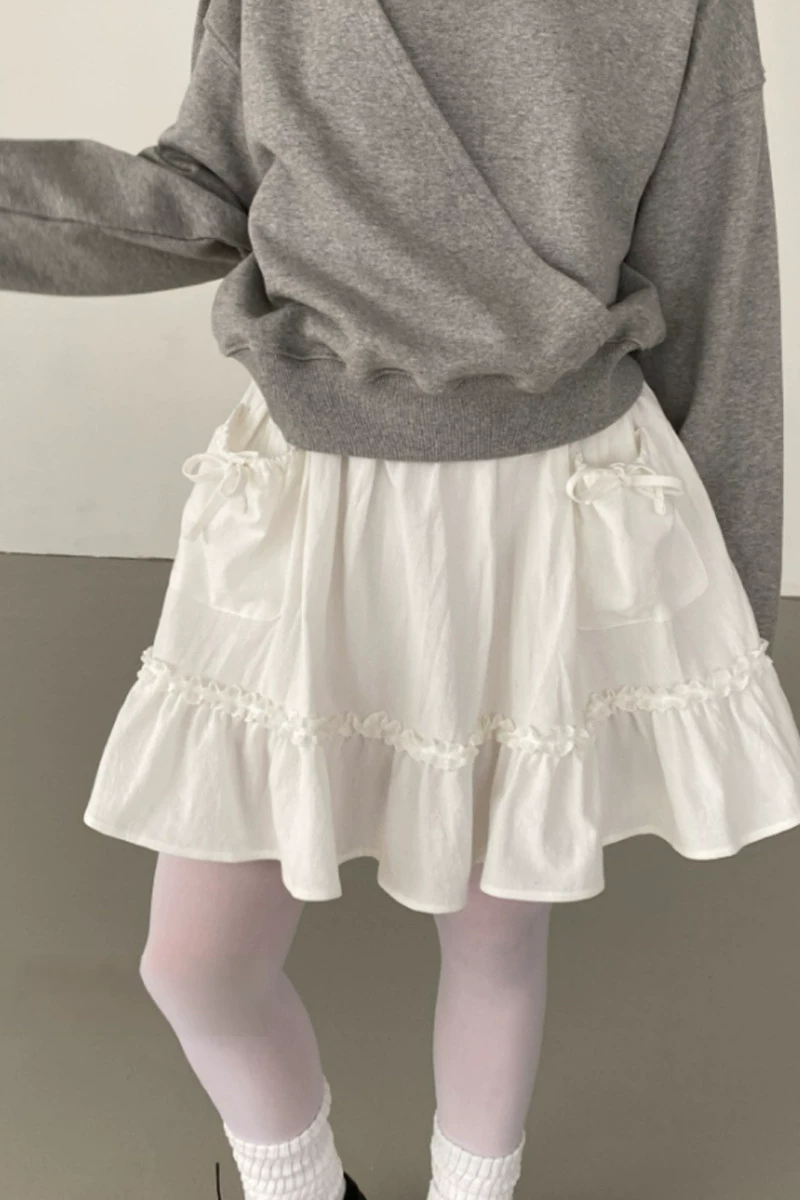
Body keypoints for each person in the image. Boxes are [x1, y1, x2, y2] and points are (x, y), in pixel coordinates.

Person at [3, 1, 800, 1198]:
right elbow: (202, 193)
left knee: (493, 935)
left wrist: (724, 607)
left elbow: (714, 264)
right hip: (316, 496)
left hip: (548, 505)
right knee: (198, 962)